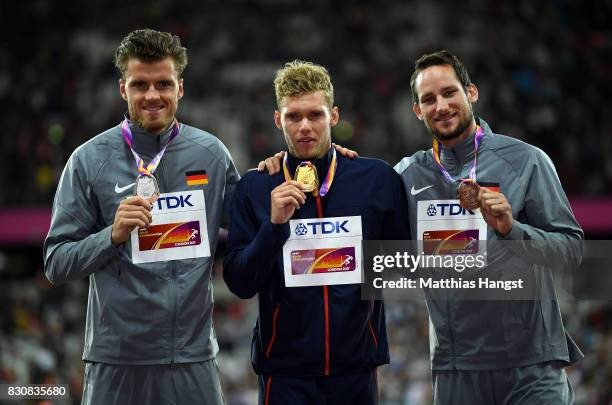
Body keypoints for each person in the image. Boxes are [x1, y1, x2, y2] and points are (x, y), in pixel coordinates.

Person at [259, 51, 584, 404]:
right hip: (456, 371)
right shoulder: (407, 175)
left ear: (470, 93)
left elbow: (571, 252)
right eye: (428, 99)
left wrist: (512, 230)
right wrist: (303, 158)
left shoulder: (526, 161)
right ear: (417, 110)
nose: (441, 106)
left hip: (531, 367)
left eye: (449, 93)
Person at [43, 29, 238, 404]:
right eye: (140, 85)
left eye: (163, 83)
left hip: (191, 361)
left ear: (180, 88)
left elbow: (252, 227)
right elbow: (56, 263)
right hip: (116, 364)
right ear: (122, 89)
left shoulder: (212, 155)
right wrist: (111, 235)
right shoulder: (88, 161)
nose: (152, 96)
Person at [223, 60, 410, 405]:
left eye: (316, 115)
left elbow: (403, 266)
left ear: (334, 116)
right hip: (284, 376)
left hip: (356, 373)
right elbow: (240, 282)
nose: (305, 127)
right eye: (293, 117)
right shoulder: (255, 186)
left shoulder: (377, 180)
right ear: (278, 120)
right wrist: (274, 227)